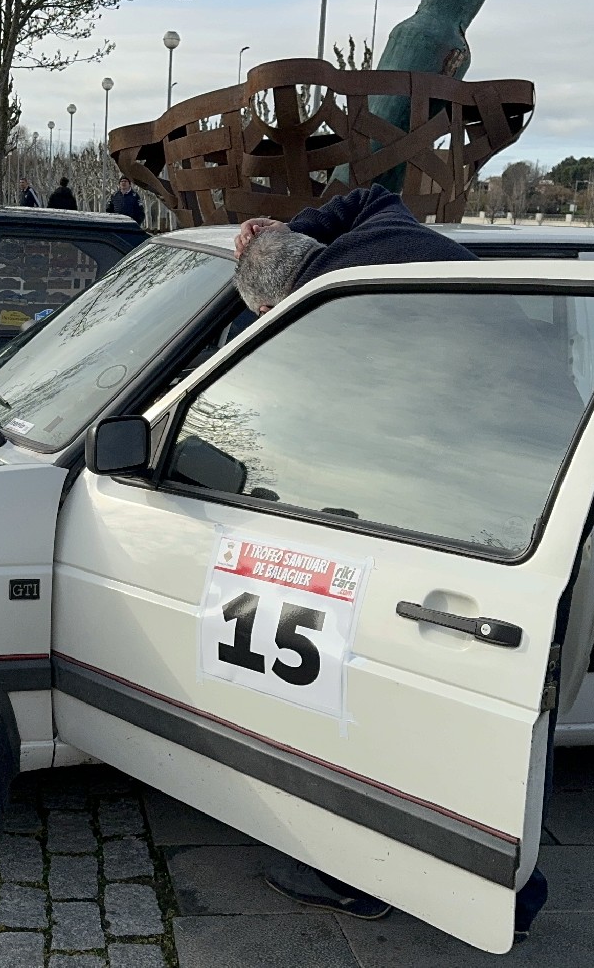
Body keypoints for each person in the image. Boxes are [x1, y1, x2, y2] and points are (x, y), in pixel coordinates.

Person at [235, 184, 550, 938]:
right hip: (538, 468)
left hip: (467, 516)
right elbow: (375, 190)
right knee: (483, 722)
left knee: (400, 719)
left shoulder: (344, 324)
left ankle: (422, 885)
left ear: (278, 305)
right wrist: (287, 229)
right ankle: (496, 883)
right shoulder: (379, 233)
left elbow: (338, 442)